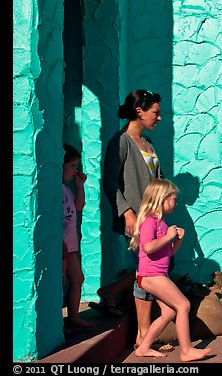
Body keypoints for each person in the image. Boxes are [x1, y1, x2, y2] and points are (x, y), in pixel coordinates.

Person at [89, 89, 173, 352]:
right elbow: (110, 182)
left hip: (152, 219)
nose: (159, 118)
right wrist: (126, 212)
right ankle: (143, 334)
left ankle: (111, 292)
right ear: (139, 111)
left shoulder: (147, 143)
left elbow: (158, 179)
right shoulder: (121, 142)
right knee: (147, 273)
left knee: (147, 271)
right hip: (135, 218)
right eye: (155, 113)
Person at [129, 179, 212, 361]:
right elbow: (148, 248)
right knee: (183, 305)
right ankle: (186, 351)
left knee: (169, 312)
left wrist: (177, 240)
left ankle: (143, 348)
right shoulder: (149, 221)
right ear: (162, 199)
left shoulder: (162, 223)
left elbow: (168, 252)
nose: (176, 203)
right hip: (151, 275)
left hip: (158, 274)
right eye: (173, 199)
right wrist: (168, 237)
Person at [62, 144, 95, 329]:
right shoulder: (55, 190)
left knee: (77, 278)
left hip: (71, 245)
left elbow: (79, 206)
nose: (76, 171)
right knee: (61, 281)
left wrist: (79, 185)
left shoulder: (66, 189)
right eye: (73, 166)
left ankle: (73, 316)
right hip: (62, 246)